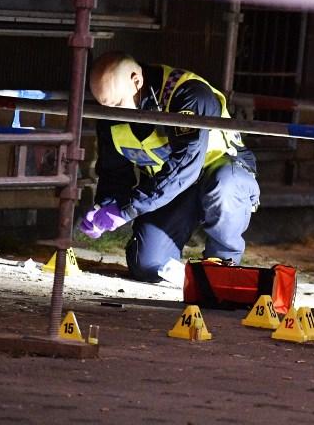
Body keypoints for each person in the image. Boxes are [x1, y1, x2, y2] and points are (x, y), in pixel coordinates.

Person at [80, 51, 260, 282]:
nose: (113, 113)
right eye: (105, 105)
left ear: (137, 81)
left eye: (116, 103)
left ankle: (222, 270)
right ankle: (187, 276)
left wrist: (127, 209)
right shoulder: (110, 111)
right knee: (146, 266)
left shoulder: (188, 95)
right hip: (171, 188)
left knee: (225, 187)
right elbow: (114, 171)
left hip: (219, 171)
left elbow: (186, 166)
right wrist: (105, 206)